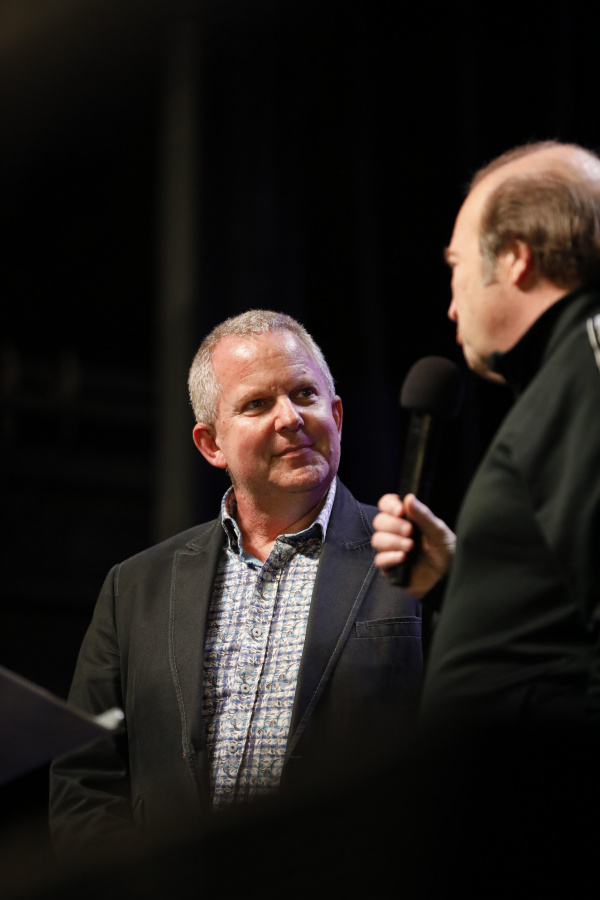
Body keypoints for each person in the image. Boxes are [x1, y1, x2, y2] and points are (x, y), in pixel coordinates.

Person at [49, 310, 422, 858]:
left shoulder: (413, 559)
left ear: (337, 415)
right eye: (257, 404)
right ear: (211, 445)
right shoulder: (135, 587)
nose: (290, 417)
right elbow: (84, 782)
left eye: (304, 394)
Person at [371, 141, 600, 895]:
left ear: (518, 259)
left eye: (457, 266)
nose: (450, 303)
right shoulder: (566, 375)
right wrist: (458, 578)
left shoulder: (588, 364)